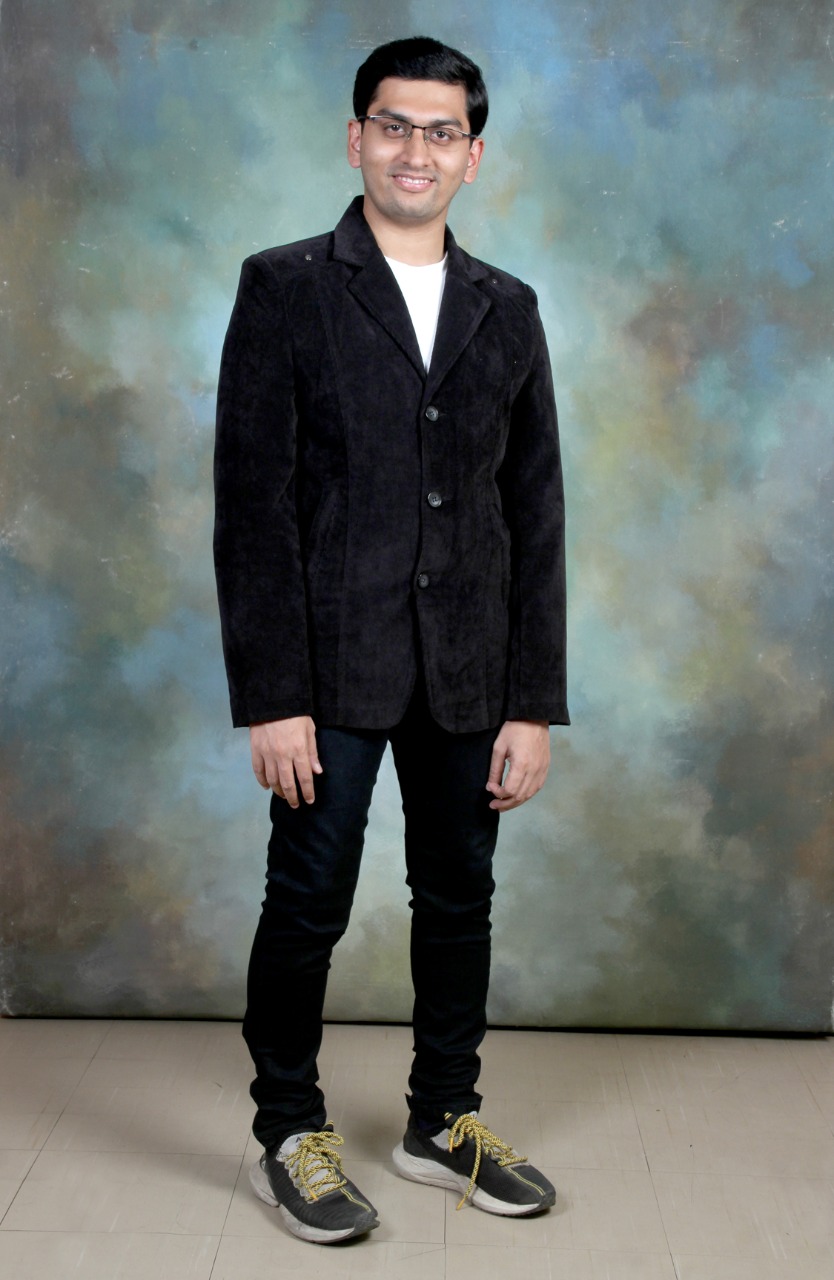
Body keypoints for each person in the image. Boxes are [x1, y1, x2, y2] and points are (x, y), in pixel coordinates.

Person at [214, 35, 568, 1245]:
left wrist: (533, 700)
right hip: (329, 668)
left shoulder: (508, 308)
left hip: (472, 666)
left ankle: (442, 1117)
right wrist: (272, 693)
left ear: (474, 155)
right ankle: (287, 1127)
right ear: (356, 137)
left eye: (441, 131)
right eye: (394, 124)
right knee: (307, 895)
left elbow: (536, 514)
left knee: (459, 896)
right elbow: (253, 506)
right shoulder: (286, 287)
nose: (416, 149)